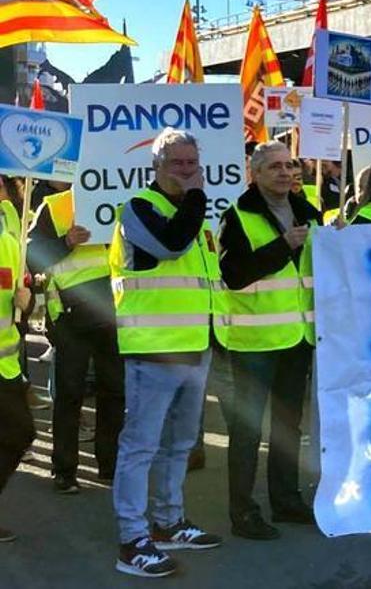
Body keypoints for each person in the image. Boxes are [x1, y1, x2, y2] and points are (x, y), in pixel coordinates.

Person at [110, 128, 223, 578]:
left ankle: (168, 522)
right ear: (156, 165)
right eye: (178, 162)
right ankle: (131, 540)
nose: (188, 170)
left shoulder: (194, 215)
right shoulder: (139, 207)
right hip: (153, 350)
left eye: (193, 162)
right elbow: (170, 245)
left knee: (179, 445)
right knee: (140, 448)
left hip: (195, 348)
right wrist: (197, 199)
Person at [217, 141, 321, 541]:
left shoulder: (308, 213)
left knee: (287, 427)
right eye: (273, 167)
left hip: (297, 338)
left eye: (288, 165)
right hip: (255, 341)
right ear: (255, 174)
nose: (283, 172)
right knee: (247, 432)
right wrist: (283, 247)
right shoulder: (237, 216)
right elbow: (234, 275)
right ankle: (242, 512)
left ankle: (287, 500)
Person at [27, 183, 122, 494]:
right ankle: (65, 470)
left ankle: (109, 464)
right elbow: (32, 255)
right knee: (70, 393)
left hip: (114, 310)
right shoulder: (55, 206)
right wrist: (66, 240)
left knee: (115, 390)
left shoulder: (120, 196)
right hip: (71, 316)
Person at [0, 225, 32, 542]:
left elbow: (23, 302)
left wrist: (28, 300)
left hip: (5, 365)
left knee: (21, 433)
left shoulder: (10, 243)